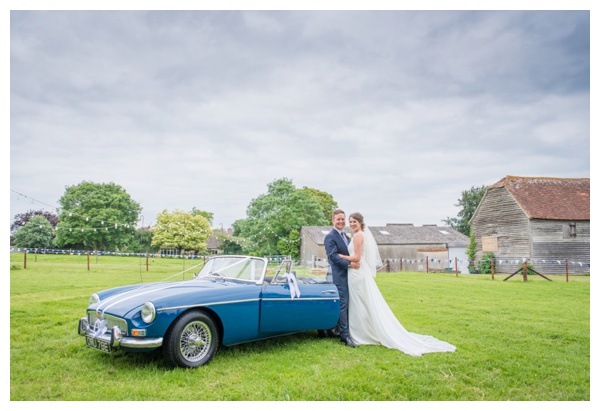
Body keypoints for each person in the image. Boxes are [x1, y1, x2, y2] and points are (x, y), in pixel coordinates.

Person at [338, 212, 456, 356]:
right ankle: (366, 330)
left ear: (361, 222)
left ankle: (362, 334)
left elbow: (356, 257)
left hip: (357, 274)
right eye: (350, 221)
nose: (351, 224)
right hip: (359, 272)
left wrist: (342, 256)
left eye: (354, 221)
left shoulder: (358, 235)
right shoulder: (361, 234)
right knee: (363, 302)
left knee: (359, 302)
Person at [324, 209, 360, 347]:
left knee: (347, 304)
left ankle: (335, 329)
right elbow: (333, 257)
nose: (341, 221)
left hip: (350, 276)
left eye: (342, 219)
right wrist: (350, 264)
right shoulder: (330, 237)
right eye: (338, 219)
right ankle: (345, 336)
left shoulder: (346, 236)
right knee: (343, 305)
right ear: (333, 221)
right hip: (338, 276)